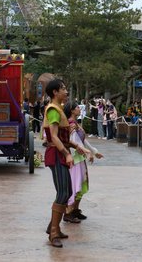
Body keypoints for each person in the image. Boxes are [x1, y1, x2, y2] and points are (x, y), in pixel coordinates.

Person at [42, 79, 90, 248]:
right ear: (55, 92)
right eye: (63, 89)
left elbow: (62, 138)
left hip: (60, 153)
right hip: (56, 154)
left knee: (67, 191)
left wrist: (76, 146)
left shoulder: (59, 109)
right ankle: (53, 232)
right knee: (63, 192)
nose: (66, 92)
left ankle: (53, 227)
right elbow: (54, 137)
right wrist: (66, 153)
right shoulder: (54, 109)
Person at [63, 102, 103, 223]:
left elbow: (83, 141)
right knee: (75, 185)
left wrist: (94, 151)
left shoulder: (76, 124)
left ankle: (75, 210)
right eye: (76, 108)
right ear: (71, 110)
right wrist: (88, 152)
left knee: (81, 184)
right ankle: (68, 212)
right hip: (75, 159)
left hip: (80, 159)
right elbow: (75, 143)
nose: (79, 109)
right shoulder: (71, 124)